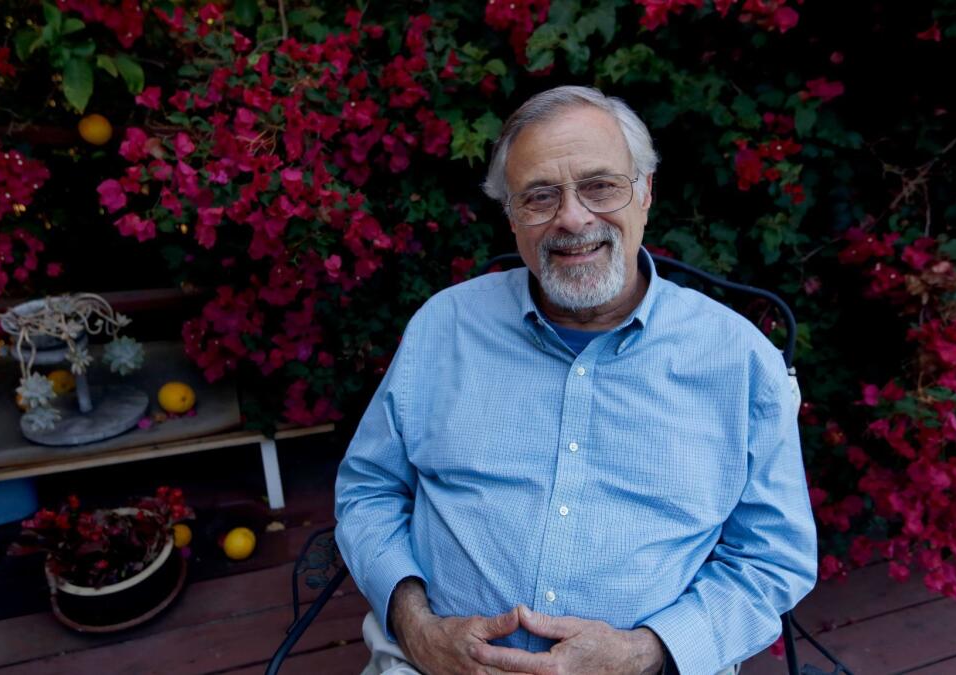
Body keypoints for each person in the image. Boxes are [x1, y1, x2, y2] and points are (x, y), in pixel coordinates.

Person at [335, 85, 817, 675]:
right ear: (511, 217)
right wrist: (417, 628)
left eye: (600, 186)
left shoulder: (739, 359)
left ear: (644, 194)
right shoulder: (444, 327)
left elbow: (774, 558)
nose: (572, 217)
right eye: (539, 196)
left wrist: (646, 652)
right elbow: (368, 492)